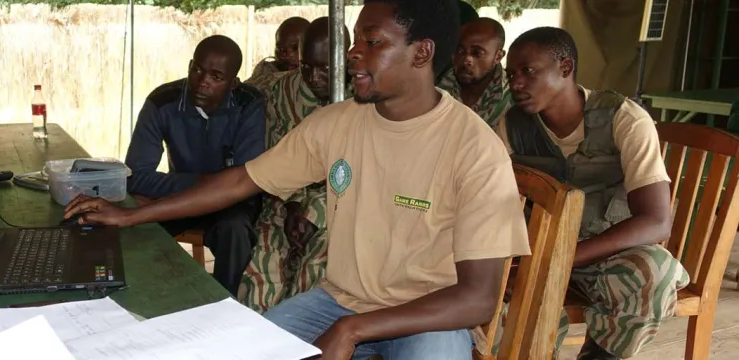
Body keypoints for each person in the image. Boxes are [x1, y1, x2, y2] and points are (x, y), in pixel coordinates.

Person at [65, 0, 531, 358]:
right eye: (358, 40)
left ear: (421, 53)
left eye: (373, 42)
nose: (353, 52)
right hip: (340, 300)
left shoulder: (473, 149)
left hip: (431, 315)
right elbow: (242, 180)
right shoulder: (337, 123)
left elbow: (476, 301)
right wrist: (134, 215)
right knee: (248, 349)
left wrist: (355, 329)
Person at [496, 27, 689, 360]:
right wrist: (516, 263)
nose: (516, 84)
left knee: (656, 271)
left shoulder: (624, 119)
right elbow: (489, 203)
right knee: (491, 291)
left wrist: (564, 260)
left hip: (607, 255)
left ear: (566, 68)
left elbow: (656, 222)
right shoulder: (511, 126)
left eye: (528, 71)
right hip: (536, 257)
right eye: (511, 74)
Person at [123, 34, 266, 295]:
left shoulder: (249, 104)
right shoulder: (162, 102)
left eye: (216, 77)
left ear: (233, 83)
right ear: (189, 66)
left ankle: (224, 304)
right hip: (181, 200)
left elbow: (246, 180)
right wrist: (201, 183)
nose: (202, 83)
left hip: (230, 205)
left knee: (235, 230)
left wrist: (211, 186)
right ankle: (144, 297)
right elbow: (135, 175)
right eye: (197, 70)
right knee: (133, 222)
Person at [238, 16, 351, 314]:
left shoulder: (365, 101)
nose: (314, 78)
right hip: (281, 203)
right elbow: (273, 160)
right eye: (306, 67)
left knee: (319, 268)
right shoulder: (279, 92)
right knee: (263, 262)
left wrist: (313, 211)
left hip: (341, 214)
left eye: (325, 68)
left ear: (347, 58)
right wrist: (292, 205)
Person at [437, 17, 511, 127]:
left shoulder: (511, 101)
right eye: (460, 50)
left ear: (498, 57)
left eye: (477, 53)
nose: (466, 60)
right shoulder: (437, 87)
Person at [244, 17, 311, 83]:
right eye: (280, 49)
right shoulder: (264, 75)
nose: (286, 55)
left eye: (295, 48)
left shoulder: (316, 80)